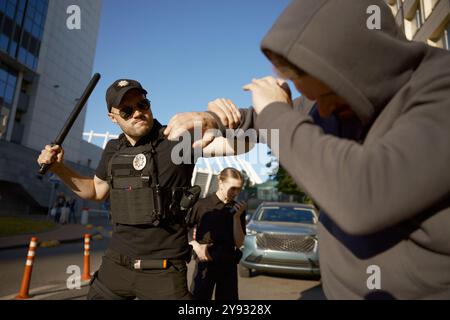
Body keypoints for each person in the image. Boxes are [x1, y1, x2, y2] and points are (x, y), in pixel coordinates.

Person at [164, 0, 450, 299]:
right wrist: (213, 121)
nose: (322, 111)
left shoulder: (439, 91)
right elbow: (259, 120)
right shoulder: (329, 100)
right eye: (311, 98)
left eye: (331, 98)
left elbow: (363, 195)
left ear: (361, 69)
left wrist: (276, 111)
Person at [37, 79, 252, 300]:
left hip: (164, 272)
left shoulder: (177, 140)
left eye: (142, 105)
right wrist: (58, 168)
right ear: (113, 117)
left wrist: (215, 120)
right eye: (127, 110)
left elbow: (243, 144)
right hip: (116, 266)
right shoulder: (113, 149)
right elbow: (95, 191)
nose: (137, 113)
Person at [189, 167, 247, 300]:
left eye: (239, 189)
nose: (236, 193)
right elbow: (185, 228)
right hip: (205, 262)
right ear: (220, 183)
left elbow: (239, 243)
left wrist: (237, 217)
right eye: (233, 188)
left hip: (228, 264)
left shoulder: (238, 209)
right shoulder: (202, 205)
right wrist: (196, 246)